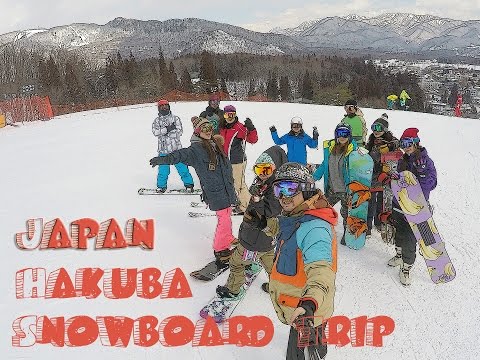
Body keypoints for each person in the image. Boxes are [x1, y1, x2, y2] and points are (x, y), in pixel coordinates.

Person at [265, 162, 338, 360]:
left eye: (290, 188)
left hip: (305, 309)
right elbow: (287, 233)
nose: (283, 196)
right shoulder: (297, 216)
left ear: (306, 189)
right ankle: (319, 349)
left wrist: (309, 305)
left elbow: (321, 272)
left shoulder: (314, 228)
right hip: (301, 306)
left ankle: (316, 350)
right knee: (315, 339)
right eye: (278, 189)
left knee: (298, 354)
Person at [150, 116, 238, 265]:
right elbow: (179, 155)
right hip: (215, 190)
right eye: (204, 129)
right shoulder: (195, 149)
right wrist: (163, 159)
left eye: (210, 128)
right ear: (197, 131)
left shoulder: (215, 144)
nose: (208, 131)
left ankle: (228, 237)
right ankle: (220, 248)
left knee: (227, 215)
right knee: (223, 219)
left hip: (226, 187)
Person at [215, 146, 288, 299]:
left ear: (274, 168)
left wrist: (258, 199)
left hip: (254, 239)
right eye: (259, 169)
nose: (262, 174)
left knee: (236, 262)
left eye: (267, 170)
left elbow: (270, 211)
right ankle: (278, 287)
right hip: (265, 240)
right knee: (270, 263)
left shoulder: (276, 189)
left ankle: (233, 290)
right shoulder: (266, 182)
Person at [387, 128, 437, 286]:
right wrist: (393, 179)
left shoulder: (426, 161)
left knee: (410, 239)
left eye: (409, 143)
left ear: (416, 143)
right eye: (403, 143)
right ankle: (399, 255)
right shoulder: (402, 160)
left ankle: (406, 267)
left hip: (415, 208)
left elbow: (432, 183)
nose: (406, 146)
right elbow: (397, 182)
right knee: (399, 234)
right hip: (399, 205)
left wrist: (422, 174)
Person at [311, 123, 358, 245]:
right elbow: (324, 165)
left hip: (346, 190)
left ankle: (348, 236)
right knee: (322, 210)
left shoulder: (353, 151)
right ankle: (321, 232)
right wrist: (314, 177)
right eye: (339, 133)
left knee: (346, 214)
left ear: (350, 136)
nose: (342, 137)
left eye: (345, 134)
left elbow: (359, 169)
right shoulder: (331, 149)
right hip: (332, 188)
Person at [219, 104, 258, 214]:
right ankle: (236, 202)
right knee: (229, 183)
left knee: (239, 184)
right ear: (224, 115)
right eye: (227, 115)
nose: (230, 117)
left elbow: (253, 139)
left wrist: (251, 128)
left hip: (237, 161)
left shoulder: (239, 127)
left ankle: (247, 206)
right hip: (226, 161)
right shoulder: (222, 127)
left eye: (232, 114)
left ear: (235, 115)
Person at [365, 116, 399, 235]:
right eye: (374, 127)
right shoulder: (371, 141)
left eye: (379, 127)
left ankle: (379, 223)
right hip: (373, 176)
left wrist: (390, 146)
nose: (376, 130)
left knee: (382, 202)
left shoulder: (391, 141)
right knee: (370, 201)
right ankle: (367, 226)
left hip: (385, 176)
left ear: (385, 129)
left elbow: (397, 146)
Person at [151, 99, 194, 193]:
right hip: (163, 151)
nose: (164, 108)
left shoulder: (175, 118)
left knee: (183, 169)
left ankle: (189, 185)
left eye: (166, 106)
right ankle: (161, 186)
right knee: (163, 171)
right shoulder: (156, 121)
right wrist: (168, 129)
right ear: (159, 108)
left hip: (177, 150)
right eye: (162, 106)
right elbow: (155, 132)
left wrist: (165, 132)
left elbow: (179, 132)